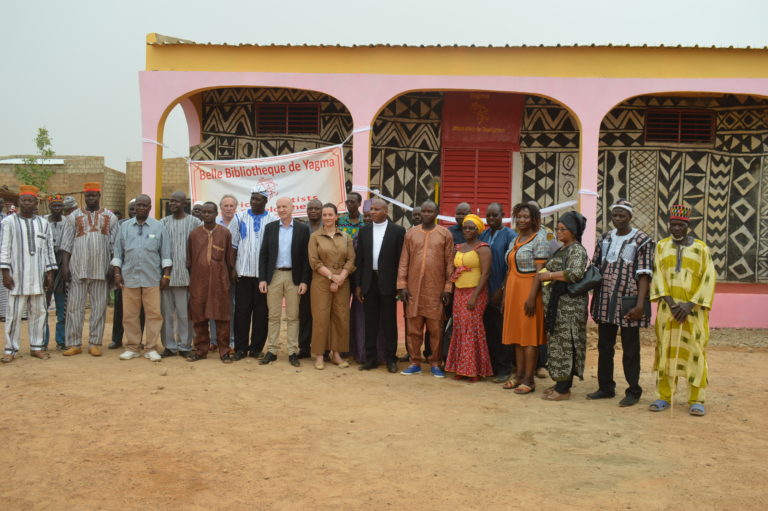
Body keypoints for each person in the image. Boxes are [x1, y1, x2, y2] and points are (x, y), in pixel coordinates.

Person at [648, 205, 715, 417]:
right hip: (669, 311)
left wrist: (689, 305)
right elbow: (657, 275)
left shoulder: (702, 249)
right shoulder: (661, 246)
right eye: (673, 224)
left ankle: (697, 399)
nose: (676, 228)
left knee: (695, 351)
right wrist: (672, 303)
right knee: (665, 350)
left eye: (681, 225)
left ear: (689, 225)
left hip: (693, 313)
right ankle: (664, 396)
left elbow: (708, 279)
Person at [588, 199, 654, 407]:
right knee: (605, 346)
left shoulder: (642, 240)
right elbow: (596, 267)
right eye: (615, 215)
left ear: (630, 217)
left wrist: (641, 304)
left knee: (630, 348)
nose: (617, 219)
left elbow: (644, 274)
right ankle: (606, 387)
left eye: (622, 216)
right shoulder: (605, 238)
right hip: (605, 300)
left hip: (629, 302)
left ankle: (633, 391)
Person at [60, 183, 119, 357]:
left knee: (99, 307)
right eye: (88, 196)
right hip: (77, 268)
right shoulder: (73, 217)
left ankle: (95, 343)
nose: (90, 198)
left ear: (99, 196)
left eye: (93, 195)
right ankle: (74, 343)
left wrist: (112, 267)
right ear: (84, 197)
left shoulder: (111, 217)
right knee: (74, 307)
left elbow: (116, 246)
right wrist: (65, 267)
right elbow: (66, 245)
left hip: (101, 270)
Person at [397, 200, 454, 378]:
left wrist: (448, 287)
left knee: (435, 328)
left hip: (435, 291)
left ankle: (435, 363)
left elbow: (450, 264)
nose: (427, 214)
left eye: (430, 211)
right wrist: (402, 285)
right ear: (420, 213)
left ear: (437, 212)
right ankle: (415, 362)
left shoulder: (445, 234)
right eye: (424, 211)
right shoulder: (411, 234)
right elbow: (404, 261)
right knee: (413, 327)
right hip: (413, 289)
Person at [536, 211, 590, 401]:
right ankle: (560, 382)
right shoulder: (563, 248)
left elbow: (574, 273)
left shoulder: (577, 250)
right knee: (558, 345)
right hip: (557, 306)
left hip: (570, 308)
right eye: (557, 229)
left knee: (566, 345)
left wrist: (549, 276)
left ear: (573, 231)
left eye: (563, 229)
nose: (558, 233)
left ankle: (564, 389)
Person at [112, 194, 172, 362]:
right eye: (139, 205)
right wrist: (117, 273)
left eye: (145, 205)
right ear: (134, 207)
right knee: (130, 315)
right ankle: (132, 347)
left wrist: (166, 275)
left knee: (154, 314)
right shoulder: (124, 227)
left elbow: (166, 254)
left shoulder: (158, 227)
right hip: (129, 277)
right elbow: (118, 252)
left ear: (150, 208)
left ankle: (151, 348)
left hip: (152, 277)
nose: (141, 208)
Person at [1, 186, 56, 362]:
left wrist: (49, 273)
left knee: (39, 313)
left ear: (36, 203)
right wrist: (5, 273)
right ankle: (10, 349)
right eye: (23, 200)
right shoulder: (9, 222)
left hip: (38, 278)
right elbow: (4, 249)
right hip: (17, 277)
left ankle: (37, 347)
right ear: (18, 203)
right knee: (13, 315)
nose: (26, 203)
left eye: (30, 200)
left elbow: (48, 250)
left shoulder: (43, 223)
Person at [501, 203, 550, 393]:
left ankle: (529, 380)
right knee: (516, 336)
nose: (522, 220)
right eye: (519, 216)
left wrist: (532, 297)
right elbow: (509, 270)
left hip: (530, 290)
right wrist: (505, 295)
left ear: (534, 218)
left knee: (529, 337)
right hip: (513, 289)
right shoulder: (516, 239)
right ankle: (519, 374)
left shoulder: (540, 238)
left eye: (526, 217)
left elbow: (540, 272)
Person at [258, 197, 311, 367]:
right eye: (279, 207)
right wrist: (262, 279)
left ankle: (292, 351)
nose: (281, 209)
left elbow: (305, 258)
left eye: (285, 206)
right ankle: (272, 350)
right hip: (273, 276)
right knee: (273, 315)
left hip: (293, 277)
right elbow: (264, 254)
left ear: (292, 208)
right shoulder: (270, 228)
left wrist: (304, 281)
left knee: (293, 316)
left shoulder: (303, 229)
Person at [355, 198, 406, 373]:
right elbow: (360, 260)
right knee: (370, 322)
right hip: (369, 282)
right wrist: (359, 285)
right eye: (371, 209)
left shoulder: (398, 231)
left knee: (389, 322)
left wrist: (401, 285)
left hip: (388, 283)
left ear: (386, 211)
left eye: (376, 209)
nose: (372, 212)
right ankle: (370, 358)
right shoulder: (364, 231)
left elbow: (401, 261)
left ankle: (391, 358)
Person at [230, 186, 277, 360]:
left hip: (263, 276)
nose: (253, 202)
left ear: (265, 201)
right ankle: (240, 348)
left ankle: (256, 348)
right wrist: (232, 268)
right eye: (252, 199)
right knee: (241, 312)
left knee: (261, 313)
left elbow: (273, 250)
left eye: (257, 199)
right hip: (243, 274)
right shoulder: (239, 217)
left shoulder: (273, 220)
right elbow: (233, 246)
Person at [186, 202, 237, 363]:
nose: (207, 215)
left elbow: (229, 260)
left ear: (216, 214)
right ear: (201, 215)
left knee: (222, 317)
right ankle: (201, 350)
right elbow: (189, 261)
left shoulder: (225, 233)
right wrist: (194, 279)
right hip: (198, 282)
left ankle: (224, 351)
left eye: (210, 212)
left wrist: (226, 280)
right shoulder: (194, 234)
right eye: (204, 212)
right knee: (199, 317)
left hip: (219, 283)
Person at [445, 214, 493, 381]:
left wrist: (474, 296)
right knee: (459, 328)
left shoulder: (483, 248)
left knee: (472, 329)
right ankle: (460, 368)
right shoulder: (459, 247)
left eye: (471, 228)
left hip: (475, 293)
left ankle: (474, 370)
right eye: (465, 227)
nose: (467, 230)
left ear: (478, 230)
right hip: (459, 292)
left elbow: (486, 274)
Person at [308, 203, 355, 370]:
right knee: (320, 318)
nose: (327, 217)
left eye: (330, 214)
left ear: (337, 217)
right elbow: (314, 261)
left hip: (342, 282)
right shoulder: (315, 237)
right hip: (321, 281)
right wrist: (331, 276)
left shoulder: (345, 237)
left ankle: (336, 353)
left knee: (340, 317)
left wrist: (341, 277)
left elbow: (351, 259)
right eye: (325, 215)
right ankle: (320, 355)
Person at [479, 202, 518, 382]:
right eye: (489, 215)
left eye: (495, 215)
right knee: (489, 331)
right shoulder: (484, 234)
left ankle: (505, 368)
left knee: (503, 331)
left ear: (503, 215)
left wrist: (501, 290)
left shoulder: (511, 236)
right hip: (484, 292)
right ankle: (492, 366)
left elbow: (512, 266)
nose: (492, 219)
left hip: (503, 292)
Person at [159, 191, 201, 357]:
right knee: (167, 315)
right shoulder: (163, 223)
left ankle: (184, 346)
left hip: (185, 276)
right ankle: (169, 346)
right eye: (171, 201)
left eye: (176, 202)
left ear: (185, 204)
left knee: (184, 315)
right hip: (166, 276)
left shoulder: (194, 222)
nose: (173, 204)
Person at [109, 198, 137, 350]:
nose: (134, 211)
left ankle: (137, 340)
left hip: (142, 275)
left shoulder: (153, 225)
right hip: (123, 273)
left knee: (141, 311)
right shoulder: (121, 225)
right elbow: (115, 249)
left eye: (136, 208)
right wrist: (116, 271)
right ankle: (116, 339)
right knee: (120, 309)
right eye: (131, 209)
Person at [297, 198, 323, 358]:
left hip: (322, 275)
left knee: (321, 313)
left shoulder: (327, 228)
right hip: (304, 276)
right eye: (310, 208)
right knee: (305, 312)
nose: (313, 211)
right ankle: (304, 348)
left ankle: (323, 348)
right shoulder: (301, 228)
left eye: (316, 208)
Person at [44, 194, 68, 350]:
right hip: (45, 262)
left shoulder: (67, 222)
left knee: (62, 305)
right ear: (49, 207)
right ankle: (42, 342)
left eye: (60, 206)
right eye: (54, 206)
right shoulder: (42, 221)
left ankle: (61, 340)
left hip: (62, 261)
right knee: (42, 306)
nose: (57, 209)